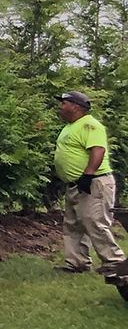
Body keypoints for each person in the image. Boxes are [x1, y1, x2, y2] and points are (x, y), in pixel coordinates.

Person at [52, 89, 126, 277]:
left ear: (75, 106)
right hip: (76, 185)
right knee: (73, 224)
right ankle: (76, 262)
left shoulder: (90, 125)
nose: (61, 107)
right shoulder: (71, 126)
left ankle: (115, 264)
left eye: (64, 103)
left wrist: (88, 174)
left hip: (93, 183)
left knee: (95, 223)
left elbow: (97, 150)